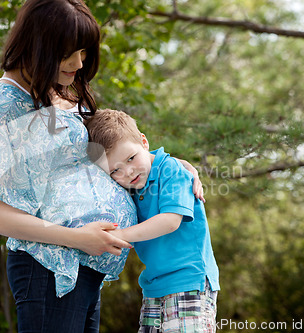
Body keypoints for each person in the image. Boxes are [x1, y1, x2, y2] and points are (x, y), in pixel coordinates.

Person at [0, 1, 204, 332]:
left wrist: (170, 164)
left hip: (82, 267)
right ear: (38, 46)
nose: (78, 63)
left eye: (82, 51)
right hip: (49, 267)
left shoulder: (55, 91)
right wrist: (77, 238)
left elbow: (116, 148)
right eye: (67, 54)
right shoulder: (8, 105)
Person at [84, 109, 220, 333]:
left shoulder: (170, 170)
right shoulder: (132, 184)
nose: (128, 172)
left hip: (188, 279)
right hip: (153, 285)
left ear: (144, 143)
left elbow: (170, 221)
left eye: (131, 158)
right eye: (115, 170)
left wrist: (120, 235)